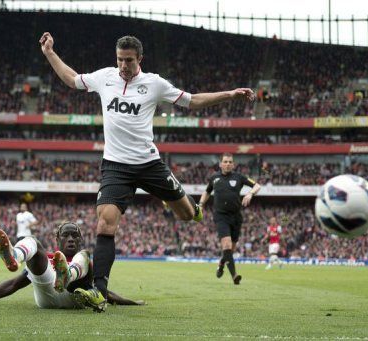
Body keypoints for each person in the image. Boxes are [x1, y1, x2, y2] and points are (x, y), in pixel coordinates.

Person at [39, 32, 255, 308]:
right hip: (116, 166)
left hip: (149, 163)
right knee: (105, 223)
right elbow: (71, 79)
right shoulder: (105, 77)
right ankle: (99, 291)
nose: (123, 65)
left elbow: (192, 100)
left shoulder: (154, 84)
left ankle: (191, 205)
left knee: (188, 215)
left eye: (128, 60)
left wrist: (229, 94)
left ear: (140, 58)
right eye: (119, 59)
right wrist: (49, 53)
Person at [0, 222, 144, 311]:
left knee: (85, 256)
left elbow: (105, 292)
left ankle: (67, 275)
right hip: (49, 288)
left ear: (80, 239)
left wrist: (132, 302)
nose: (70, 238)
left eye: (74, 235)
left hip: (74, 295)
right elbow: (14, 284)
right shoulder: (46, 258)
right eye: (66, 235)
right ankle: (15, 255)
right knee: (32, 241)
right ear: (57, 239)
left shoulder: (84, 258)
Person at [198, 153, 261, 284]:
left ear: (233, 164)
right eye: (225, 162)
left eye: (230, 162)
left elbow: (257, 186)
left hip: (236, 217)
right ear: (220, 164)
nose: (227, 164)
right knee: (226, 245)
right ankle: (234, 276)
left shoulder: (239, 177)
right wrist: (201, 204)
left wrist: (250, 194)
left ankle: (221, 264)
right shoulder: (214, 178)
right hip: (221, 216)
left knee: (230, 251)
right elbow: (207, 192)